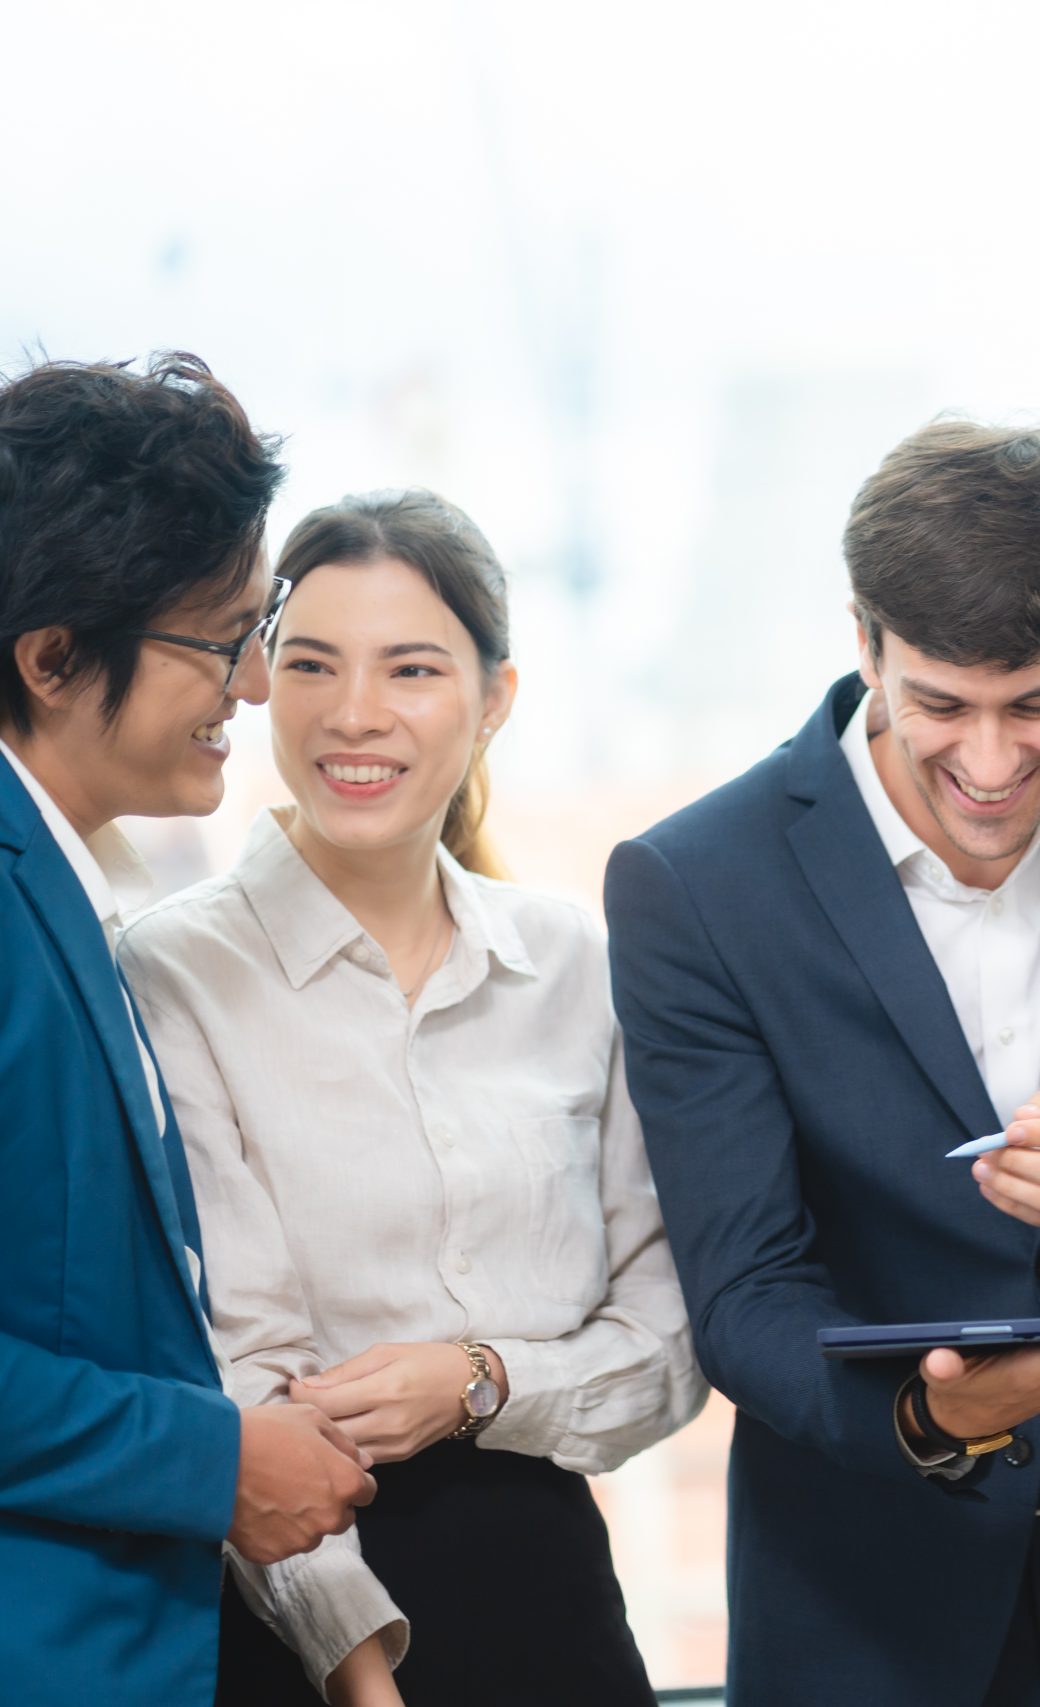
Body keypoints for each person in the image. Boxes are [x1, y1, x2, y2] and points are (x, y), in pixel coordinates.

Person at [604, 419, 1040, 1706]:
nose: (990, 767)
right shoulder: (696, 883)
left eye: (1037, 705)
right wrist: (932, 1416)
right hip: (873, 1604)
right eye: (941, 705)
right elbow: (746, 1295)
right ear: (866, 644)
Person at [120, 490, 707, 1706]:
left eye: (412, 669)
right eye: (311, 664)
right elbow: (236, 1367)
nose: (354, 713)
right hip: (293, 1614)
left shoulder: (571, 961)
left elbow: (664, 1344)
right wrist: (360, 1672)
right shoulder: (173, 970)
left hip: (556, 1607)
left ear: (494, 699)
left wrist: (483, 1381)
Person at [0, 353, 375, 1706]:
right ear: (52, 657)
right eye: (223, 641)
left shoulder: (66, 881)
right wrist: (211, 1460)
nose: (257, 685)